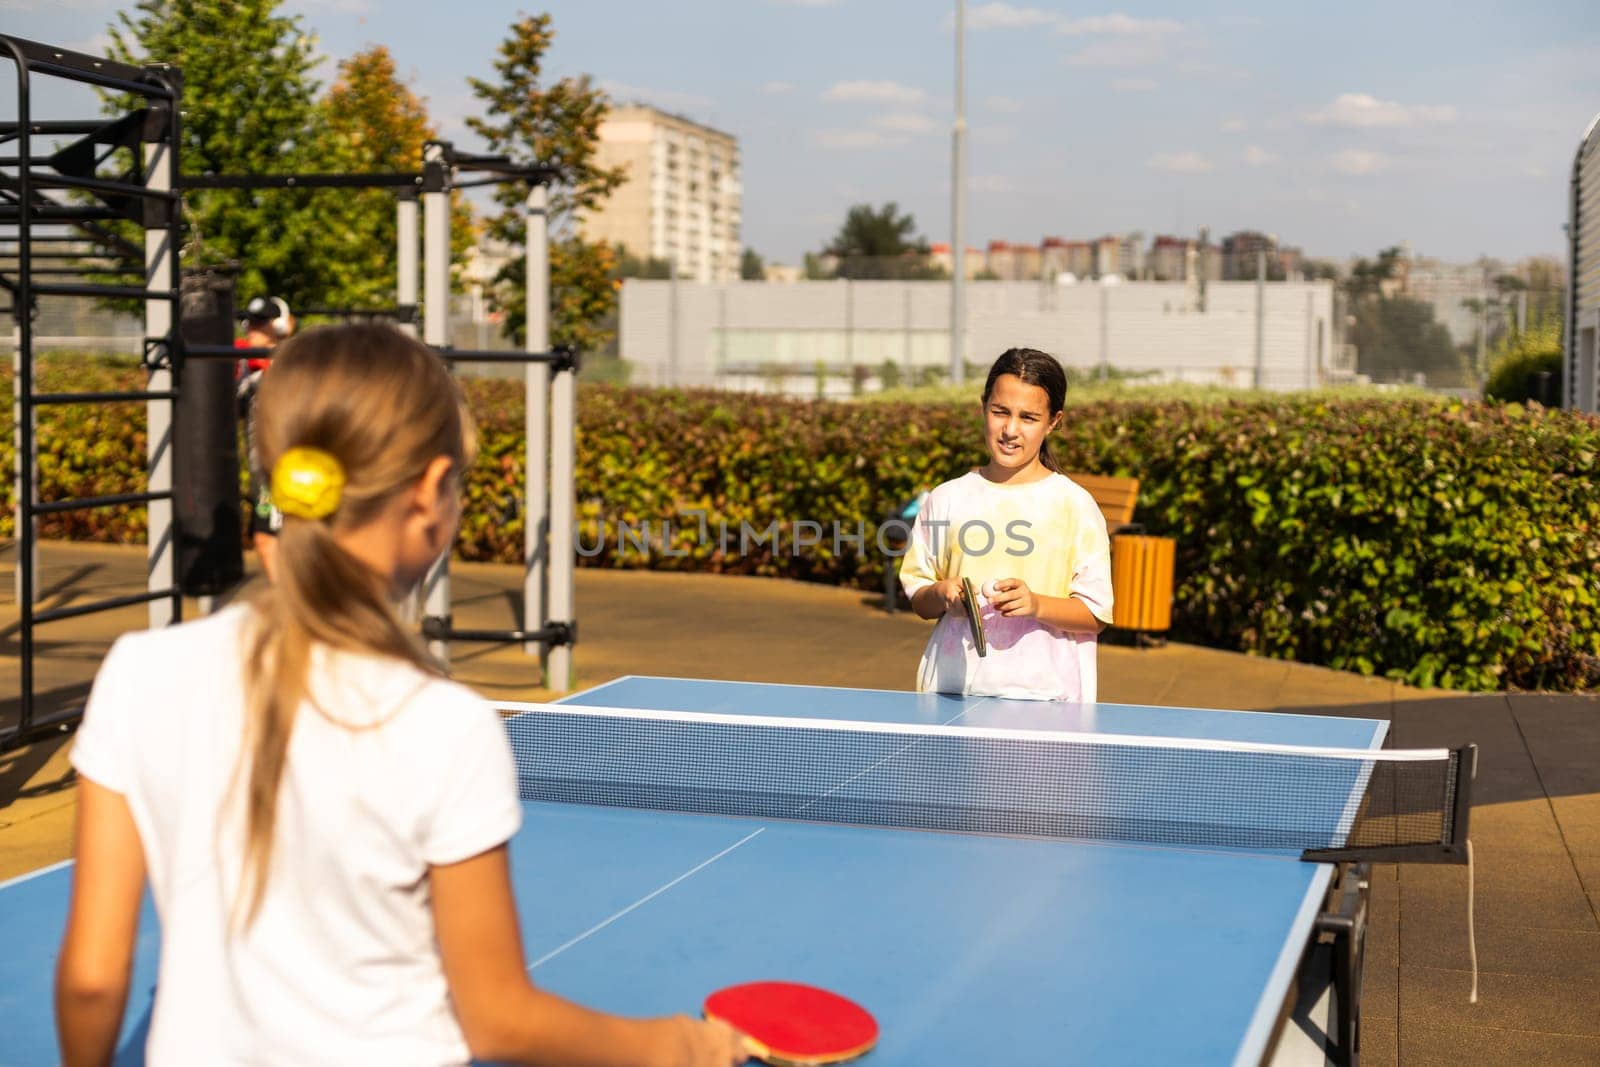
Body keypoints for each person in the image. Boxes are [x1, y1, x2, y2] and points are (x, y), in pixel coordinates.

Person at [55, 323, 746, 1067]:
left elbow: (93, 979)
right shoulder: (444, 726)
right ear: (428, 493)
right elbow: (500, 1020)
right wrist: (671, 1045)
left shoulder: (139, 671)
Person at [897, 347, 1113, 702]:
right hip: (950, 689)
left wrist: (1036, 604)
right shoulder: (947, 498)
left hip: (1045, 698)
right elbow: (921, 599)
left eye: (1028, 417)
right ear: (984, 407)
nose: (1010, 430)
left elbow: (1095, 613)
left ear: (1053, 421)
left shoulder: (1075, 506)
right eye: (1000, 412)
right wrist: (943, 593)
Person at [235, 296, 295, 575]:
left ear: (280, 325)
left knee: (268, 539)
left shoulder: (293, 360)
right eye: (251, 323)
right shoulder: (245, 365)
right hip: (262, 468)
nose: (253, 329)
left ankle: (293, 608)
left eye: (261, 323)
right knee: (269, 539)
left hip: (280, 469)